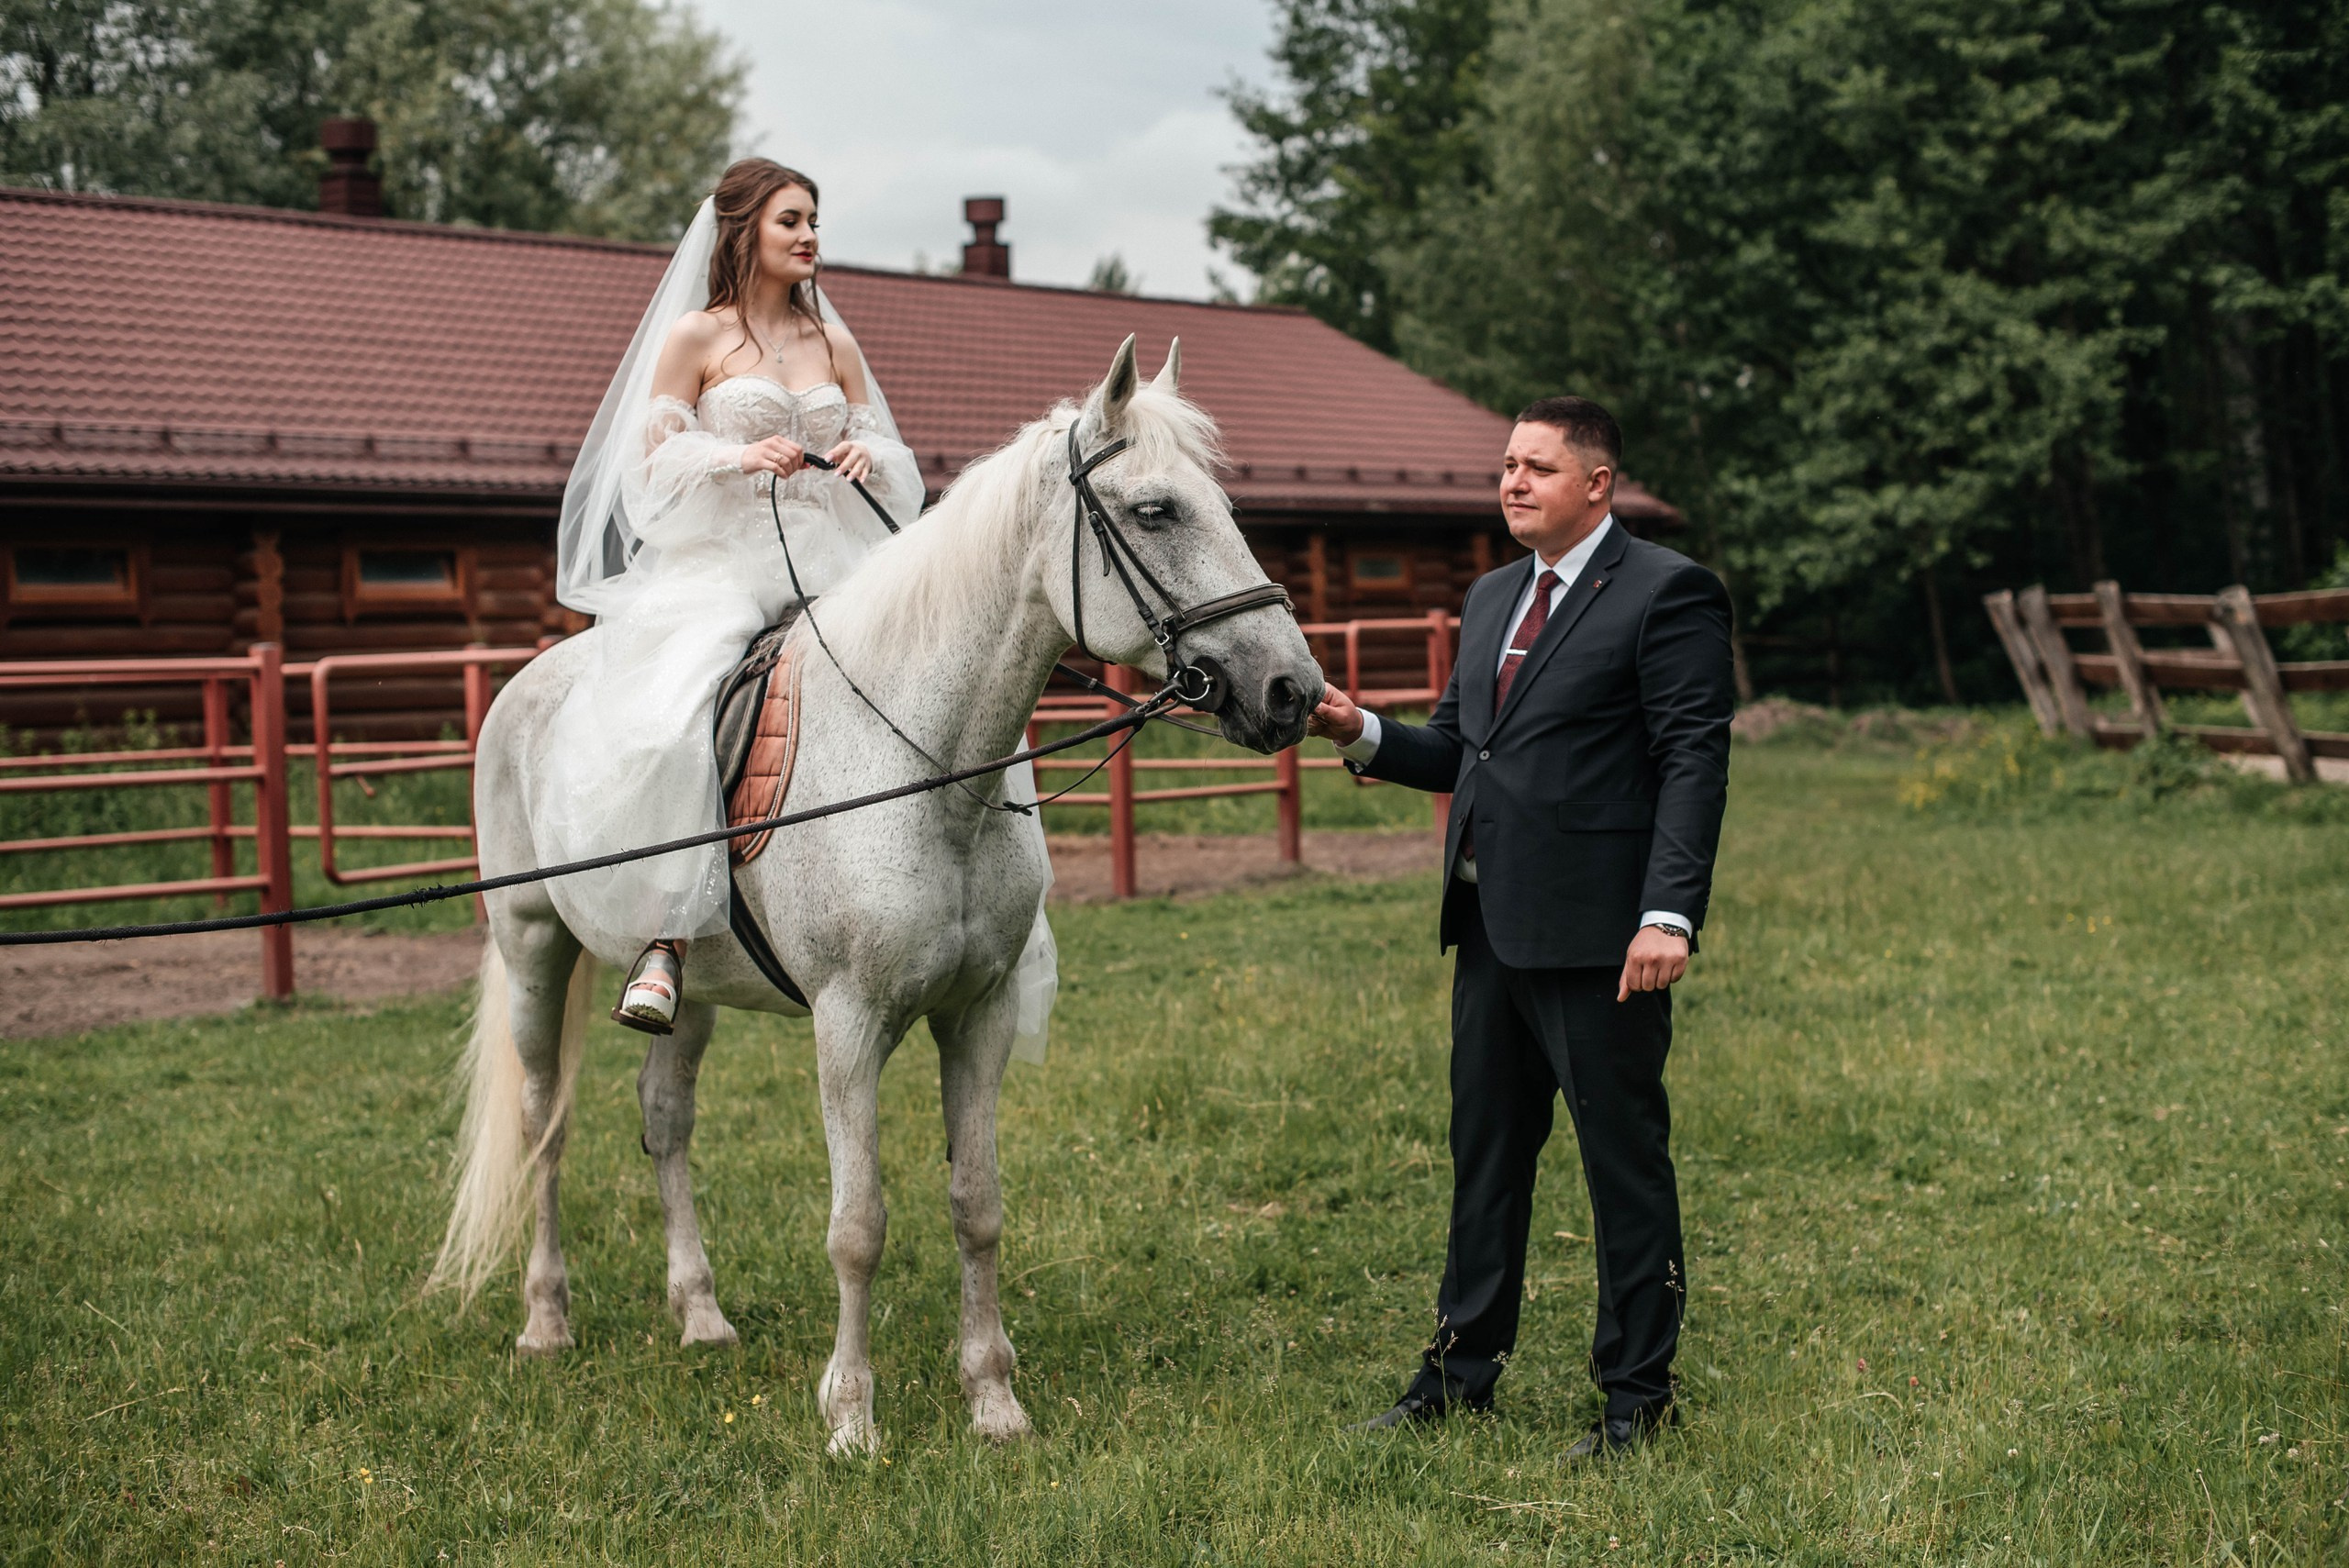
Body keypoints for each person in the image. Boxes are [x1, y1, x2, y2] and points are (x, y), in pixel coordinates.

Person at [550, 158, 1058, 1046]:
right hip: (723, 564)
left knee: (949, 690)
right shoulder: (695, 339)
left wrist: (869, 461)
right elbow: (647, 468)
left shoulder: (835, 345)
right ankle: (666, 934)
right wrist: (734, 456)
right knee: (679, 711)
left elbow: (897, 466)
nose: (809, 234)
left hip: (834, 563)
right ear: (743, 229)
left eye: (815, 219)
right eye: (790, 220)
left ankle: (995, 899)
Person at [1309, 396, 1733, 1460]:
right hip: (1490, 926)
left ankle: (1638, 1395)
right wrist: (1356, 727)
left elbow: (1693, 758)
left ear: (1596, 482)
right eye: (1505, 463)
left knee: (1620, 1166)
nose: (1511, 481)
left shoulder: (1667, 592)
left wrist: (1667, 910)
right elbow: (1464, 752)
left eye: (1536, 466)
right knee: (1485, 1160)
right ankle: (1458, 1374)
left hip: (1605, 939)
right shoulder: (1492, 593)